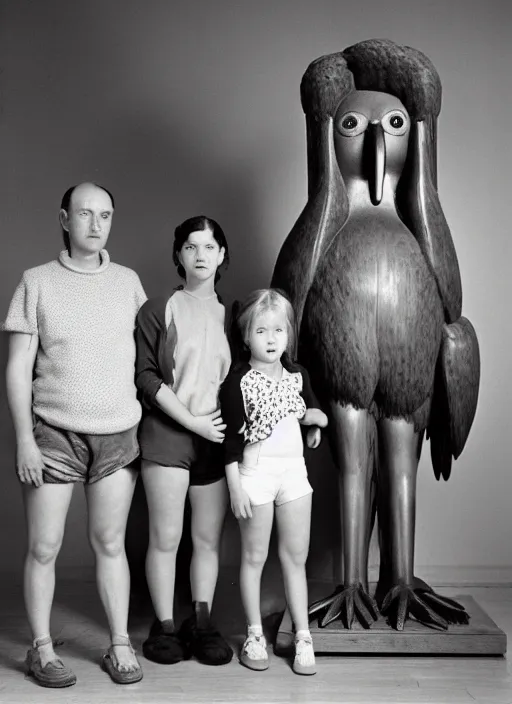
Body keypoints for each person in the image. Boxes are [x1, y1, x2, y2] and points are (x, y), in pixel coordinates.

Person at [3, 182, 147, 687]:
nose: (95, 223)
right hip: (54, 434)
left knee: (111, 543)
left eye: (104, 214)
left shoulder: (129, 282)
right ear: (64, 219)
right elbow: (18, 368)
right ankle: (41, 650)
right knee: (45, 546)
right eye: (84, 214)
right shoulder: (36, 281)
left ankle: (119, 644)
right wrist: (24, 438)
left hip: (118, 434)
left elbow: (147, 362)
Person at [135, 215, 233, 667]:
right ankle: (164, 626)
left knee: (207, 539)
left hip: (215, 440)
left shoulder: (235, 316)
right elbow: (147, 378)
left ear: (222, 255)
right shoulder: (159, 309)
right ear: (178, 255)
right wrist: (193, 424)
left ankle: (202, 621)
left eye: (209, 247)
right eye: (191, 247)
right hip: (169, 436)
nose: (200, 255)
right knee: (167, 536)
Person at [219, 289, 328, 676]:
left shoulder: (298, 375)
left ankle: (302, 635)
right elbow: (231, 442)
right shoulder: (238, 382)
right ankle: (253, 635)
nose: (270, 339)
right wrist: (235, 488)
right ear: (246, 335)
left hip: (294, 474)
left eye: (279, 330)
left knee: (295, 558)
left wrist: (315, 427)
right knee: (254, 557)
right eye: (261, 330)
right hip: (255, 476)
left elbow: (311, 411)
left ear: (288, 335)